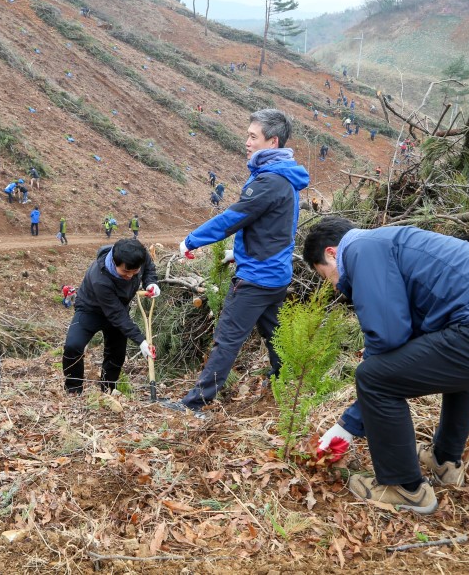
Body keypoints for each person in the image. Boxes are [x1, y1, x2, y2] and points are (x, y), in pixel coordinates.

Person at [302, 217, 469, 514]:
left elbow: (388, 338)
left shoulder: (361, 249)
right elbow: (419, 330)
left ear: (331, 253)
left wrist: (347, 427)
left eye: (327, 276)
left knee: (373, 377)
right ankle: (444, 462)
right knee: (458, 364)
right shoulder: (395, 242)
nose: (336, 286)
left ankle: (405, 489)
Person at [166, 109, 310, 413]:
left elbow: (232, 218)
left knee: (227, 339)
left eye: (252, 136)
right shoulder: (285, 178)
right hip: (276, 274)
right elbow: (275, 228)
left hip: (256, 279)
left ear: (271, 142)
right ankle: (290, 385)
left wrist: (191, 241)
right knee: (276, 338)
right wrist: (238, 253)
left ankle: (195, 403)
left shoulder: (269, 181)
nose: (246, 141)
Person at [61, 238, 159, 394]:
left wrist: (151, 283)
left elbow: (148, 267)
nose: (130, 276)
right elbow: (116, 314)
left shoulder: (140, 256)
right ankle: (73, 390)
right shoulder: (100, 279)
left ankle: (108, 390)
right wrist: (141, 341)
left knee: (116, 354)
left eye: (135, 272)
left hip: (119, 307)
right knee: (73, 346)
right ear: (114, 262)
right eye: (126, 271)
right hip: (90, 309)